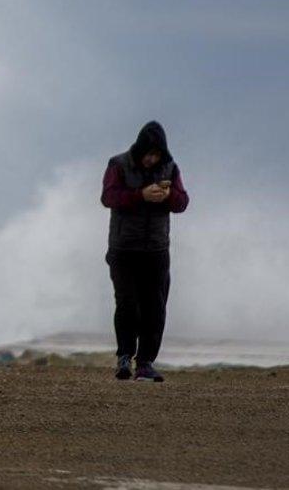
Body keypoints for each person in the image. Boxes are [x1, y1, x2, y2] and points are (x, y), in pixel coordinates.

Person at [100, 121, 189, 382]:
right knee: (128, 304)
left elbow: (183, 202)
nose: (151, 159)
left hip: (156, 250)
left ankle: (146, 362)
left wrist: (168, 195)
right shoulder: (118, 165)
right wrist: (140, 195)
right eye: (148, 154)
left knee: (155, 307)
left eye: (156, 155)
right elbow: (108, 197)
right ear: (139, 150)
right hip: (124, 249)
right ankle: (125, 357)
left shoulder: (170, 168)